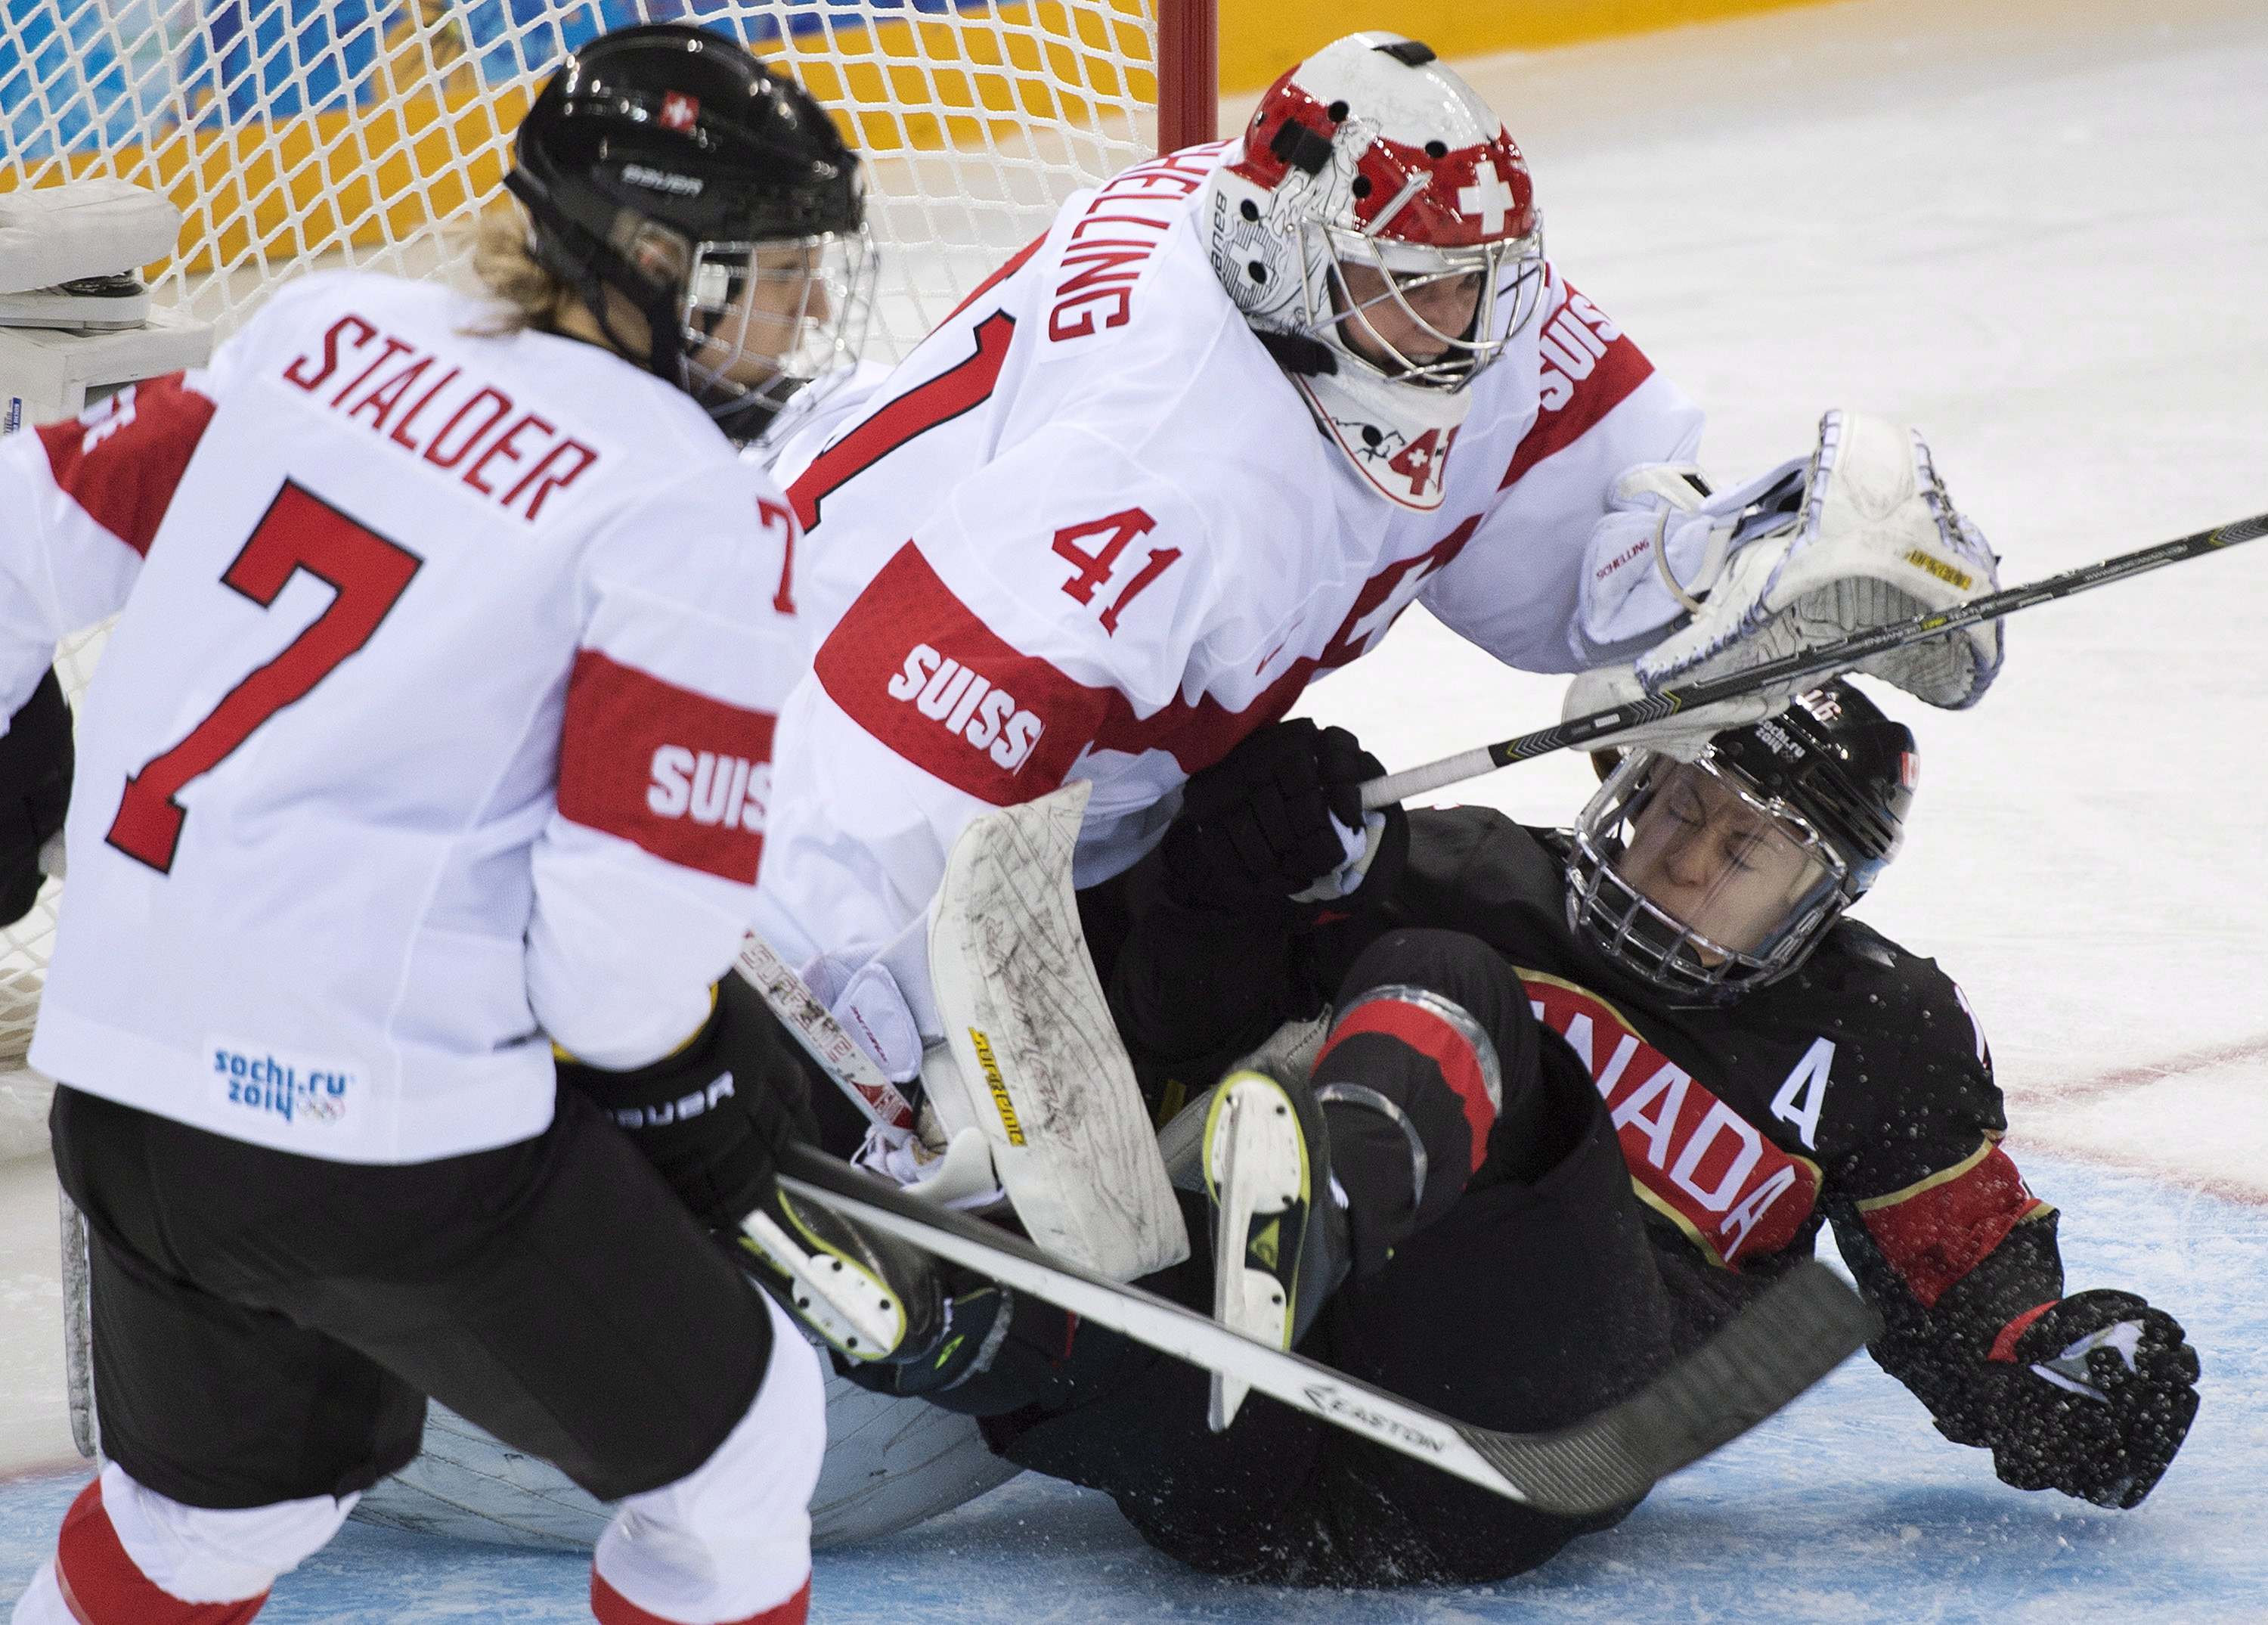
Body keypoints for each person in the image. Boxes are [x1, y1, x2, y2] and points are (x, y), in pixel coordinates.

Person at [742, 31, 2006, 1215]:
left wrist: (1728, 568)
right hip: (778, 716)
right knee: (932, 1125)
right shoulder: (1166, 465)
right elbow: (883, 756)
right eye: (1413, 294)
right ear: (1277, 264)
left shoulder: (1399, 285)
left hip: (1012, 729)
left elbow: (1574, 528)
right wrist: (832, 1041)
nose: (1457, 333)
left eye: (1473, 287)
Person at [0, 25, 872, 1625]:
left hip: (123, 1098)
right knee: (741, 1459)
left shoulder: (329, 329)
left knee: (211, 1525)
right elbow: (616, 973)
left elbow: (18, 531)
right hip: (378, 1141)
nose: (806, 316)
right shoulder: (681, 496)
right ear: (655, 261)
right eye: (776, 272)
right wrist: (687, 1091)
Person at [850, 684, 2199, 1586]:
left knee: (1462, 983)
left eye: (1745, 847)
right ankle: (943, 1315)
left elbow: (1977, 1301)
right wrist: (1221, 869)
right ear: (1624, 773)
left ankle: (1292, 1234)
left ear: (1822, 895)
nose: (1682, 856)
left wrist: (2076, 1383)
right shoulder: (1461, 863)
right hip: (1228, 1478)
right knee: (1088, 1302)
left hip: (1521, 1458)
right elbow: (1165, 1014)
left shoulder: (1880, 1029)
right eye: (1675, 799)